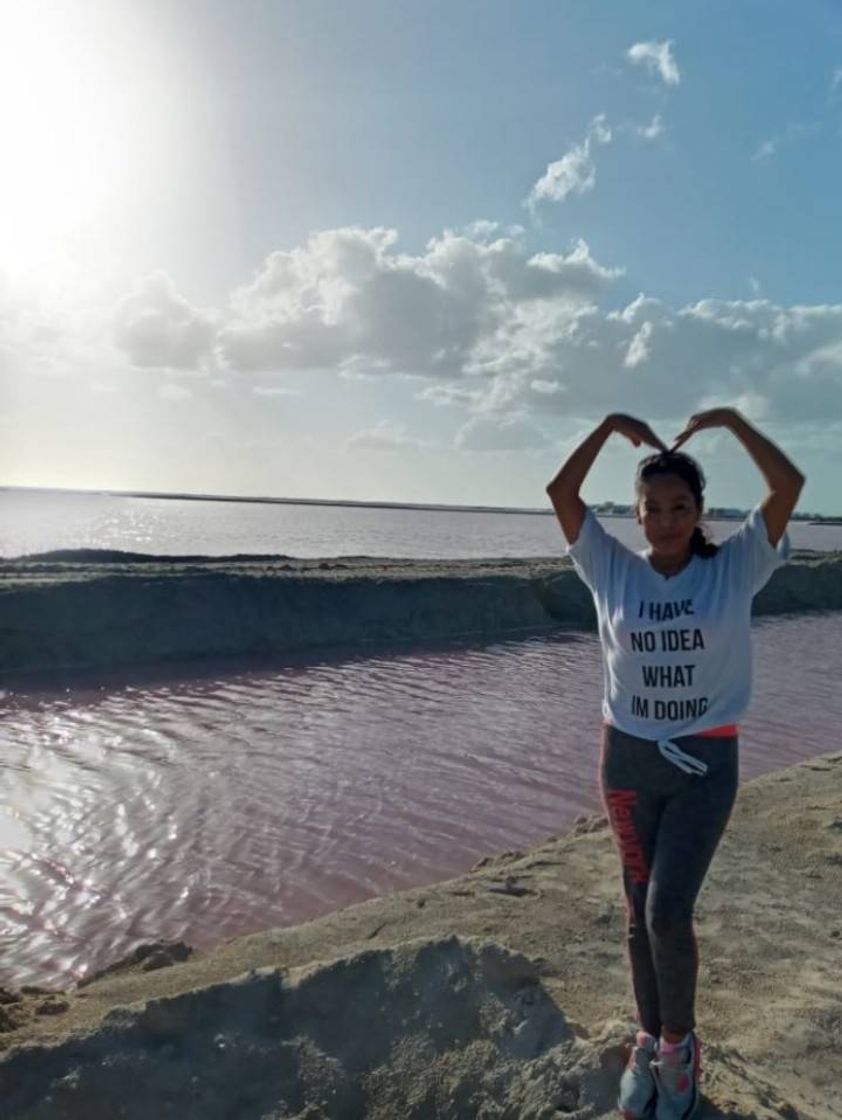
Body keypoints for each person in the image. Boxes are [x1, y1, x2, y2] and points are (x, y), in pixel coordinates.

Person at [545, 407, 805, 1120]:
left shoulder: (736, 567)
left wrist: (730, 421)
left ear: (700, 511)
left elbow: (789, 485)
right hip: (626, 761)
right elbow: (561, 496)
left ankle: (680, 1046)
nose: (664, 520)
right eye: (651, 508)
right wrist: (603, 427)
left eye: (679, 507)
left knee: (667, 910)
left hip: (705, 762)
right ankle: (647, 1037)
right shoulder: (611, 569)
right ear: (634, 514)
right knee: (637, 914)